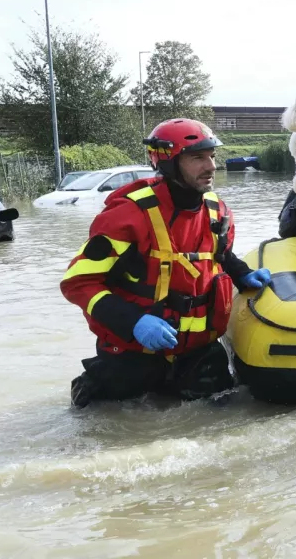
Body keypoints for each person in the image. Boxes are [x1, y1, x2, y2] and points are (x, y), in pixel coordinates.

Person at [61, 119, 272, 407]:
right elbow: (77, 283)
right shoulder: (128, 216)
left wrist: (243, 274)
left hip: (198, 354)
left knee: (226, 408)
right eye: (198, 157)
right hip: (134, 352)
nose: (211, 166)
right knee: (100, 413)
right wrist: (134, 322)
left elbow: (220, 255)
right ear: (169, 162)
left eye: (211, 156)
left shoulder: (217, 211)